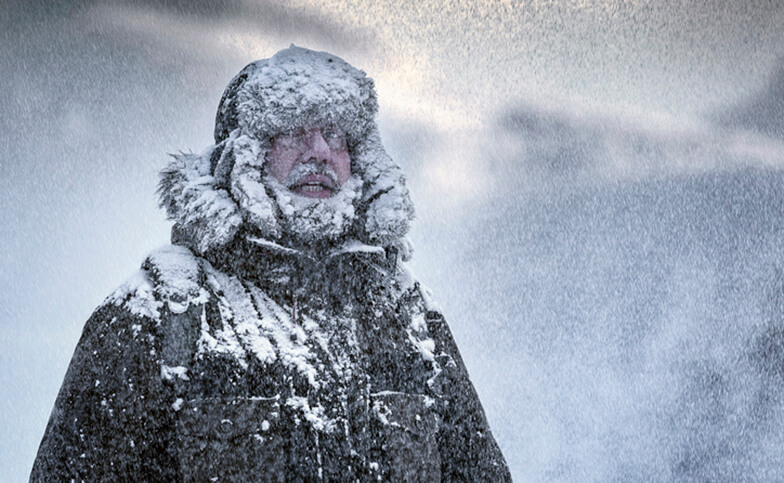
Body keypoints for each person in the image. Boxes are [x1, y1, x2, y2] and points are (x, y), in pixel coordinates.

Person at [31, 46, 511, 481]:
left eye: (336, 134)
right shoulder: (157, 315)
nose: (319, 151)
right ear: (244, 156)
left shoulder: (408, 317)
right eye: (293, 130)